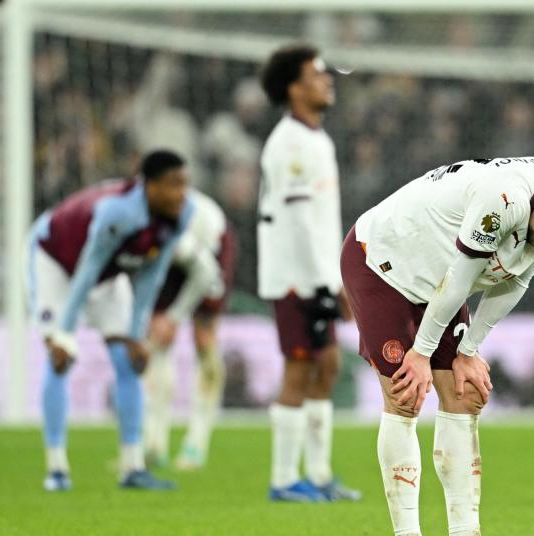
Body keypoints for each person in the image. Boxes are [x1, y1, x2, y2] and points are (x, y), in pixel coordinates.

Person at [340, 156, 534, 536]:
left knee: (466, 394)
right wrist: (422, 353)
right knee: (405, 395)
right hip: (385, 262)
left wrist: (469, 350)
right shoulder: (500, 199)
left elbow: (516, 279)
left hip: (439, 278)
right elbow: (461, 279)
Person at [26, 150, 194, 492]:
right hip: (54, 261)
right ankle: (56, 468)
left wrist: (136, 336)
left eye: (185, 184)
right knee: (60, 359)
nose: (182, 193)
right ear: (150, 186)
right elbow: (86, 271)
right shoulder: (118, 212)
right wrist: (64, 333)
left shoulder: (182, 214)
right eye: (174, 185)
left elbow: (152, 277)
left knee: (128, 362)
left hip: (107, 273)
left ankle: (132, 467)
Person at [258, 44, 360, 502]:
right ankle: (283, 479)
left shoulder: (318, 138)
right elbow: (297, 222)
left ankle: (318, 475)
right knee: (299, 369)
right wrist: (327, 282)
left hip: (319, 272)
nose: (328, 79)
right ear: (294, 88)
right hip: (297, 276)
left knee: (328, 366)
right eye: (318, 74)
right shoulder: (289, 144)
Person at [143, 189, 237, 470]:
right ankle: (153, 441)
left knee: (204, 338)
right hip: (168, 258)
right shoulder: (134, 226)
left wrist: (174, 316)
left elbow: (204, 273)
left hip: (211, 251)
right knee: (157, 338)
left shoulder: (183, 228)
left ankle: (197, 442)